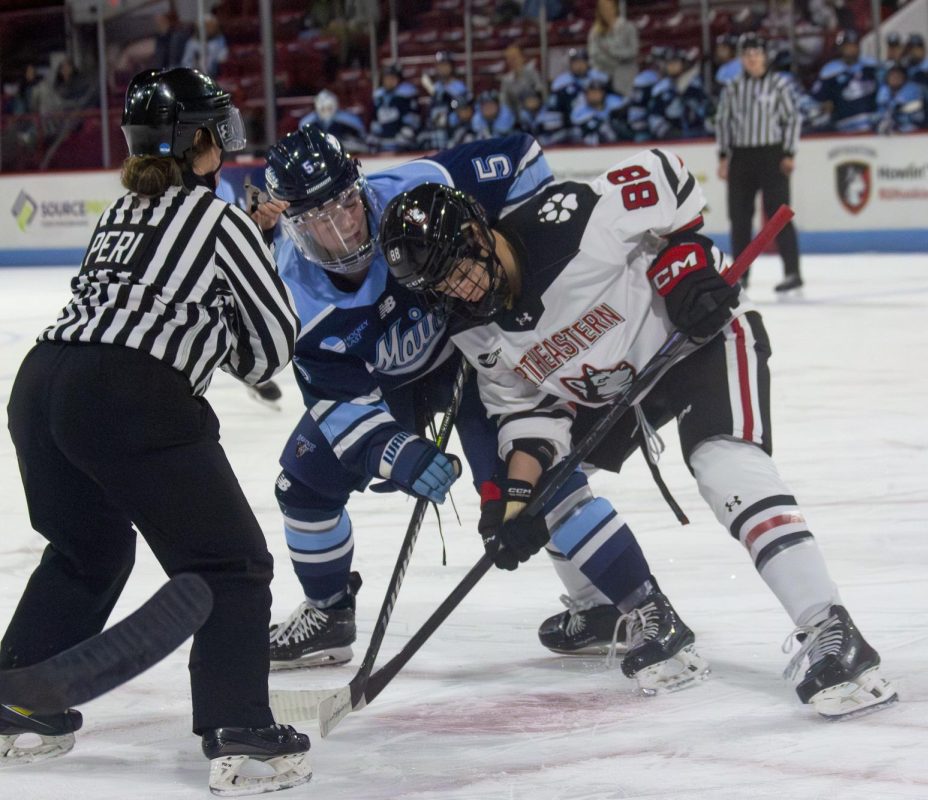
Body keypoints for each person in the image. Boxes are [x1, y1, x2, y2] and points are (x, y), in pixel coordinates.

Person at [380, 152, 899, 718]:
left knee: (724, 466)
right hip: (620, 390)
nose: (459, 290)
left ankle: (832, 629)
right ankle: (605, 607)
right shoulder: (475, 329)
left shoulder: (567, 219)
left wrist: (685, 259)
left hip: (697, 342)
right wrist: (518, 503)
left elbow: (668, 173)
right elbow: (528, 414)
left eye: (458, 268)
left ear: (478, 233)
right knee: (547, 491)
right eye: (442, 286)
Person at [0, 68, 310, 796]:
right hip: (129, 396)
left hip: (41, 385)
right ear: (200, 140)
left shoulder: (121, 212)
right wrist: (250, 264)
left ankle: (15, 700)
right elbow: (269, 349)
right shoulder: (223, 221)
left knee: (88, 547)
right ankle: (240, 732)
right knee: (230, 564)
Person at [260, 128, 571, 669]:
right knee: (302, 483)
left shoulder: (419, 186)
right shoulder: (291, 292)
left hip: (470, 352)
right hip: (389, 385)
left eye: (346, 207)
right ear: (292, 224)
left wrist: (514, 275)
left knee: (528, 470)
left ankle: (615, 598)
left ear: (361, 186)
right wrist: (397, 452)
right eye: (317, 221)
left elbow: (521, 157)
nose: (341, 229)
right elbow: (338, 401)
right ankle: (329, 613)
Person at [715, 33, 803, 294]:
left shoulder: (779, 85)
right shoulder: (732, 88)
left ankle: (792, 272)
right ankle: (741, 274)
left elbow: (793, 119)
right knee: (739, 217)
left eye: (756, 54)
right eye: (747, 55)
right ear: (741, 59)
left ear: (765, 56)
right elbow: (723, 122)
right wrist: (723, 157)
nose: (752, 59)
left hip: (772, 155)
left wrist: (789, 152)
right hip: (741, 156)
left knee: (779, 215)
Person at [811, 29, 879, 134]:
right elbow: (819, 99)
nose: (851, 49)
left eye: (854, 45)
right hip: (845, 125)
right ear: (840, 48)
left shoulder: (871, 65)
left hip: (872, 122)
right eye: (847, 46)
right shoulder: (830, 71)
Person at [647, 48, 711, 140]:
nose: (671, 66)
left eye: (675, 62)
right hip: (669, 138)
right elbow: (654, 115)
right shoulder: (661, 88)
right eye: (669, 63)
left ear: (683, 64)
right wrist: (666, 131)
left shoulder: (695, 86)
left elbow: (704, 110)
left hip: (697, 135)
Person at [588, 0, 639, 96]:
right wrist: (617, 60)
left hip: (624, 78)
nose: (606, 10)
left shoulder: (628, 28)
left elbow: (633, 52)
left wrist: (611, 51)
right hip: (602, 77)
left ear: (615, 8)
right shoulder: (595, 31)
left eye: (609, 7)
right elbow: (594, 55)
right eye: (603, 7)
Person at [370, 63, 422, 152]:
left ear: (398, 79)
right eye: (386, 78)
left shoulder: (406, 95)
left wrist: (404, 135)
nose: (389, 81)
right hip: (383, 143)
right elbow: (375, 120)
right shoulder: (379, 97)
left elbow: (413, 121)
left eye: (392, 78)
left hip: (402, 143)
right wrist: (375, 136)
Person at [299, 89, 368, 151]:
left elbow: (362, 140)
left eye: (329, 108)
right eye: (323, 109)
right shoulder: (307, 123)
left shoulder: (350, 121)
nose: (326, 112)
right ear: (316, 107)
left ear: (335, 105)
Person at [569, 76, 622, 145]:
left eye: (597, 92)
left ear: (603, 93)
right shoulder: (580, 111)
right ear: (586, 94)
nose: (594, 95)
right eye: (591, 92)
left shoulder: (614, 103)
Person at [499, 43, 546, 116]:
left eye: (514, 58)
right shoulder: (506, 80)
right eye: (509, 58)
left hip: (536, 112)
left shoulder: (533, 74)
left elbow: (542, 94)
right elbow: (504, 103)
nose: (511, 61)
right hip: (516, 116)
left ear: (522, 57)